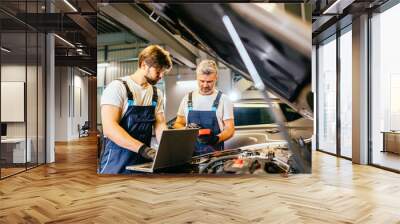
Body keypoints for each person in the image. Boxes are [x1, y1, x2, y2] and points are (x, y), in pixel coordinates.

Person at [99, 45, 172, 174]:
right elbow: (109, 128)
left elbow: (160, 124)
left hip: (142, 162)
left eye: (163, 72)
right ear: (144, 65)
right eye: (158, 70)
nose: (161, 75)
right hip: (116, 162)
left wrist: (166, 150)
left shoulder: (157, 94)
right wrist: (144, 149)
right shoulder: (117, 88)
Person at [174, 60, 235, 156]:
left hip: (215, 156)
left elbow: (230, 129)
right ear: (197, 78)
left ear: (216, 78)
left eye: (209, 81)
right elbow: (178, 123)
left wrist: (216, 139)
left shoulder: (224, 100)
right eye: (202, 81)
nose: (205, 85)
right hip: (190, 155)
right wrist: (186, 129)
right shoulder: (187, 98)